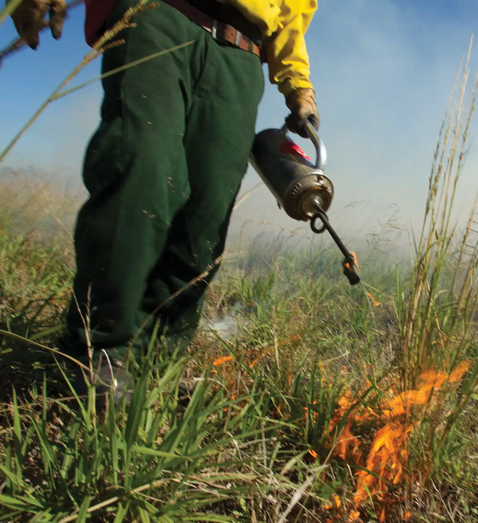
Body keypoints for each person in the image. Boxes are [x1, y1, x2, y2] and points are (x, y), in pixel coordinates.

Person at [8, 0, 320, 399]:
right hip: (159, 14)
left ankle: (155, 366)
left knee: (206, 213)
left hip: (241, 55)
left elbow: (293, 11)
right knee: (142, 169)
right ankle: (98, 352)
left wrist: (299, 84)